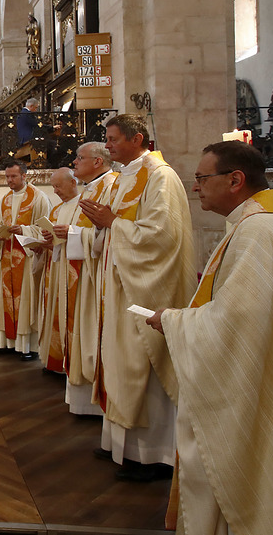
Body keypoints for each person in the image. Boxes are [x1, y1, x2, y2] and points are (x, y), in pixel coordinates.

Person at [147, 142, 273, 533]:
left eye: (202, 178)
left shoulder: (258, 231)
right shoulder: (271, 222)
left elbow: (238, 324)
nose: (195, 187)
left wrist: (173, 321)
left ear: (235, 180)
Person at [79, 114, 194, 482]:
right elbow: (112, 225)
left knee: (142, 359)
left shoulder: (161, 176)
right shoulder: (124, 176)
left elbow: (163, 234)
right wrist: (103, 226)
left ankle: (153, 455)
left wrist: (112, 222)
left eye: (113, 139)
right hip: (117, 285)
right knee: (118, 360)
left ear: (137, 139)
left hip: (143, 287)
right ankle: (118, 444)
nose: (107, 146)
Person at [64, 142, 117, 415]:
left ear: (97, 162)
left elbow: (107, 231)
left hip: (97, 274)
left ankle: (94, 402)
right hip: (83, 271)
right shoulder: (92, 187)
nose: (74, 162)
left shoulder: (111, 186)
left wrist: (71, 234)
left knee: (91, 328)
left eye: (79, 157)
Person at [0, 160, 52, 360]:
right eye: (7, 176)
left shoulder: (38, 198)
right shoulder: (6, 199)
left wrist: (24, 230)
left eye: (13, 176)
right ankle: (8, 343)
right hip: (7, 256)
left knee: (25, 300)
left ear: (24, 176)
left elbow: (45, 228)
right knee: (7, 299)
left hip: (26, 258)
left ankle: (28, 347)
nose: (9, 180)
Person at [38, 168, 79, 373]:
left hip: (74, 272)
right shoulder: (55, 211)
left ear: (73, 183)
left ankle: (72, 365)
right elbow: (53, 242)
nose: (55, 191)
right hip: (54, 269)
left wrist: (71, 235)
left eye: (58, 186)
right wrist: (46, 242)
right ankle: (54, 361)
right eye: (53, 186)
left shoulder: (83, 207)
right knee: (54, 311)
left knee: (71, 316)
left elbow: (92, 239)